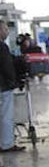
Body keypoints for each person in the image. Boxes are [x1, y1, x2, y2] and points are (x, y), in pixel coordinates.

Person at [0, 22, 25, 153]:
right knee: (6, 115)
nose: (7, 32)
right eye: (5, 29)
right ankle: (6, 144)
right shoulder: (2, 46)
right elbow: (6, 67)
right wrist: (13, 82)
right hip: (3, 86)